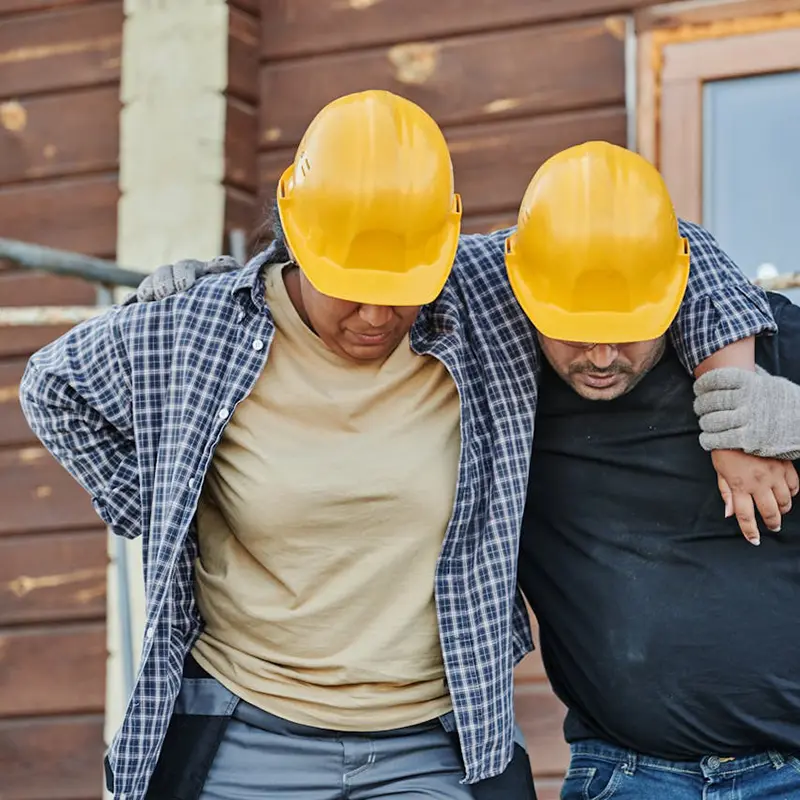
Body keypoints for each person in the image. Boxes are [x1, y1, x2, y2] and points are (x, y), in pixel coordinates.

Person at [20, 95, 778, 800]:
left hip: (432, 740)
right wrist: (166, 506)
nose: (377, 313)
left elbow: (670, 244)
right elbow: (52, 387)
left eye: (403, 285)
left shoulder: (477, 294)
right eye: (348, 284)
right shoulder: (204, 326)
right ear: (298, 241)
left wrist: (734, 406)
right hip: (247, 731)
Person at [513, 144, 800, 798]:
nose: (601, 356)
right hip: (626, 773)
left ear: (672, 290)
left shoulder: (767, 342)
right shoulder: (512, 387)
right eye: (575, 331)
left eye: (627, 329)